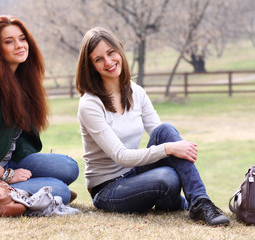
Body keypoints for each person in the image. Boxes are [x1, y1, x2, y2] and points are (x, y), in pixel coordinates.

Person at [75, 27, 229, 226]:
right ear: (91, 66)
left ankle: (200, 201)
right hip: (108, 189)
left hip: (134, 173)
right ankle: (177, 202)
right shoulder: (90, 104)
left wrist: (170, 146)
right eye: (98, 59)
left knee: (165, 130)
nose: (108, 62)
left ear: (120, 50)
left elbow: (161, 134)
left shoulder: (135, 92)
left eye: (111, 52)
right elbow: (120, 156)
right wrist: (169, 148)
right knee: (167, 178)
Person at [0, 15, 79, 205]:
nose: (19, 45)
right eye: (9, 41)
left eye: (22, 38)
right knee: (60, 190)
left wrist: (10, 170)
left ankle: (38, 191)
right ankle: (17, 193)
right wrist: (5, 175)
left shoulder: (22, 80)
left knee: (69, 168)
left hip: (9, 161)